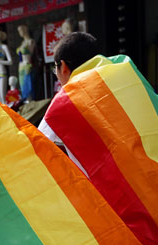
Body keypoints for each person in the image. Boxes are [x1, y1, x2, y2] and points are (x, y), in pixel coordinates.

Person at [38, 32, 100, 174]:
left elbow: (40, 150)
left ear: (64, 67)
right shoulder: (125, 88)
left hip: (94, 190)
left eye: (55, 68)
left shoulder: (64, 103)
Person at [16, 24, 35, 101]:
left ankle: (30, 98)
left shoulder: (30, 41)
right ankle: (26, 99)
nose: (20, 32)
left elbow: (31, 53)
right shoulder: (22, 43)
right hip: (21, 65)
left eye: (20, 30)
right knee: (22, 83)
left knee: (28, 82)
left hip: (27, 63)